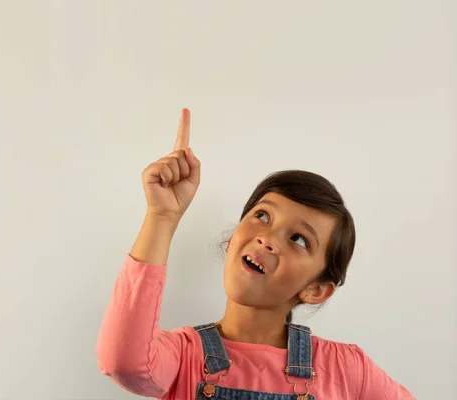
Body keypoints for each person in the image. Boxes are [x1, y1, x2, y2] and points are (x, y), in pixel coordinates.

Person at [95, 109, 414, 399]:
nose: (267, 239)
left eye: (299, 239)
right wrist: (161, 216)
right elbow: (123, 363)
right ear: (232, 240)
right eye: (262, 216)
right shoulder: (183, 356)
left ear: (317, 288)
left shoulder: (347, 370)